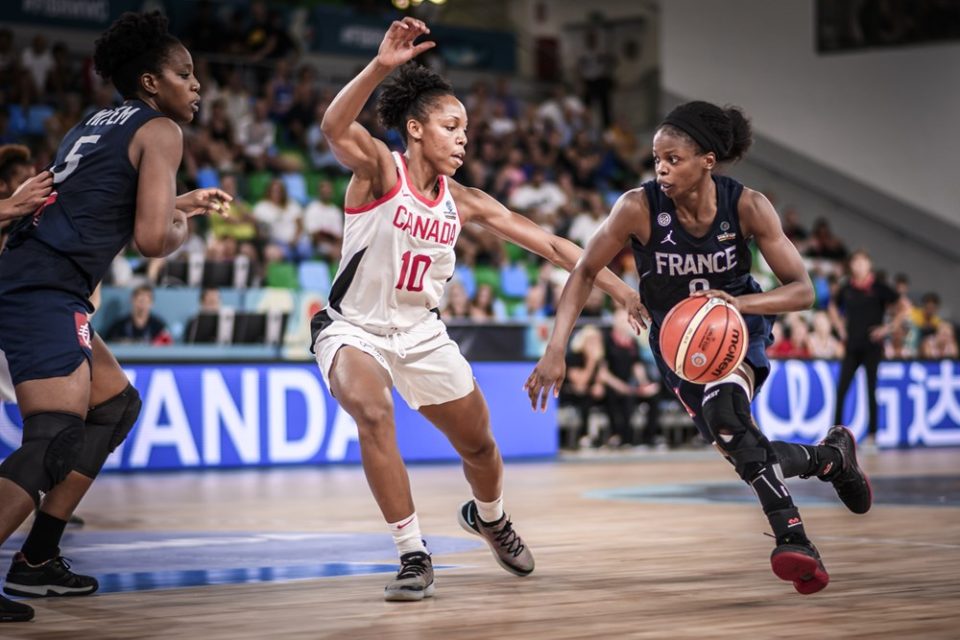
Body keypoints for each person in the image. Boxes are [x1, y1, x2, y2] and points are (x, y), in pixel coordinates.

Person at [312, 18, 642, 602]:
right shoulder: (380, 170)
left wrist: (620, 289)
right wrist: (381, 66)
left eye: (466, 129)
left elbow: (556, 245)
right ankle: (412, 552)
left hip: (422, 334)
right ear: (415, 129)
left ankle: (489, 517)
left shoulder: (464, 201)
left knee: (482, 448)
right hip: (352, 330)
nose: (465, 138)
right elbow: (334, 124)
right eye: (452, 126)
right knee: (372, 411)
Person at [525, 100, 872, 596]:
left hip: (736, 327)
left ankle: (793, 539)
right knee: (742, 449)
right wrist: (556, 347)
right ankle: (830, 459)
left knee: (730, 417)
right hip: (675, 344)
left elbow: (802, 290)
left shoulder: (747, 205)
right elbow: (582, 271)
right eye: (656, 160)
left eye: (673, 159)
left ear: (707, 159)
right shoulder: (637, 207)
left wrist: (739, 305)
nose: (662, 169)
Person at [0, 12, 229, 623]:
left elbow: (101, 204)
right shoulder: (161, 131)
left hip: (45, 279)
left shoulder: (96, 122)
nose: (196, 85)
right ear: (152, 83)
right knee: (52, 435)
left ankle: (39, 559)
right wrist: (178, 224)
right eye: (185, 74)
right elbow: (153, 241)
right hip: (42, 285)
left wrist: (180, 203)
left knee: (114, 406)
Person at [828, 250, 903, 448]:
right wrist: (840, 327)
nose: (859, 266)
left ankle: (872, 437)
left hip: (872, 347)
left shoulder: (879, 288)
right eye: (855, 262)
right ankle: (836, 435)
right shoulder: (847, 288)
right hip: (852, 345)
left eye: (862, 262)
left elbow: (904, 307)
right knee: (842, 389)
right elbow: (833, 306)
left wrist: (887, 328)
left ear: (869, 265)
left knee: (871, 389)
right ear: (851, 265)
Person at [104, 284, 173, 345]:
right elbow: (108, 344)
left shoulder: (159, 326)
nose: (142, 305)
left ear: (151, 303)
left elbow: (167, 344)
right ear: (132, 300)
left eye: (146, 301)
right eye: (140, 300)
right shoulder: (119, 326)